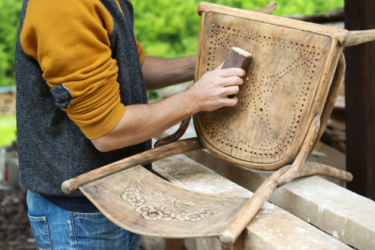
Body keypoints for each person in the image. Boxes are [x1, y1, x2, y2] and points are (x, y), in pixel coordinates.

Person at [15, 0, 244, 249]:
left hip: (117, 196)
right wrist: (194, 99)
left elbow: (132, 68)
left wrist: (206, 66)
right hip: (80, 213)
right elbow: (108, 131)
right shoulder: (65, 6)